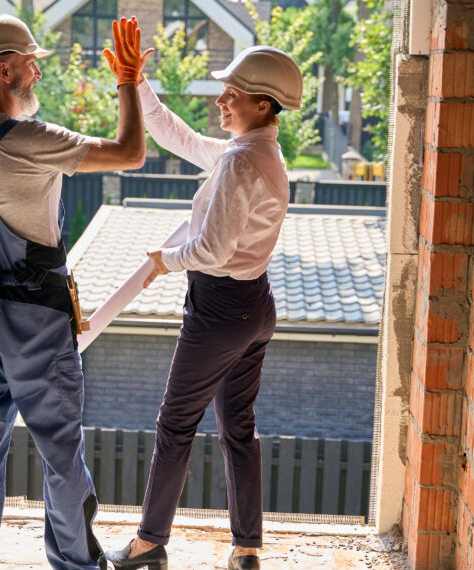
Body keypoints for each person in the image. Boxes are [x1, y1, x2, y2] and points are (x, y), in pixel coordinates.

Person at [0, 14, 149, 570]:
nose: (37, 74)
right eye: (31, 63)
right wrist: (126, 79)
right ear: (5, 69)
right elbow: (130, 153)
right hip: (36, 320)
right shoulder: (30, 139)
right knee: (59, 452)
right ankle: (75, 563)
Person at [102, 46, 305, 570]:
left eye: (232, 94)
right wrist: (136, 82)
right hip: (255, 306)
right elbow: (181, 138)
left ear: (263, 105)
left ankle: (149, 544)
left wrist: (162, 261)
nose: (221, 100)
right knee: (239, 428)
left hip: (220, 312)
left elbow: (211, 252)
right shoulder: (260, 151)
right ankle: (246, 550)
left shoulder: (241, 162)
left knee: (175, 424)